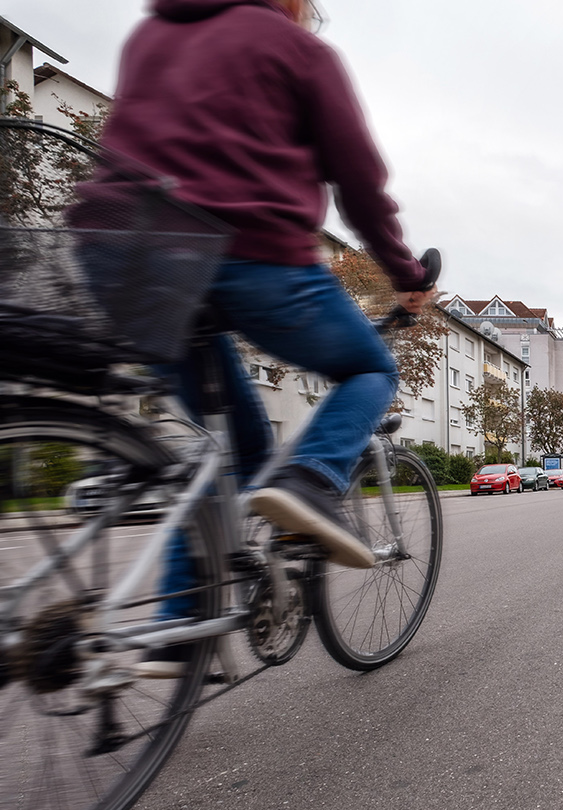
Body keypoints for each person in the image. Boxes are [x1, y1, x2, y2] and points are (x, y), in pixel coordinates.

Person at [94, 0, 434, 674]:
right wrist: (406, 276)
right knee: (370, 370)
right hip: (242, 249)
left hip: (121, 259)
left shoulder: (151, 33)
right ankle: (311, 483)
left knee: (235, 451)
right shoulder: (294, 48)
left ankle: (176, 624)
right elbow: (359, 184)